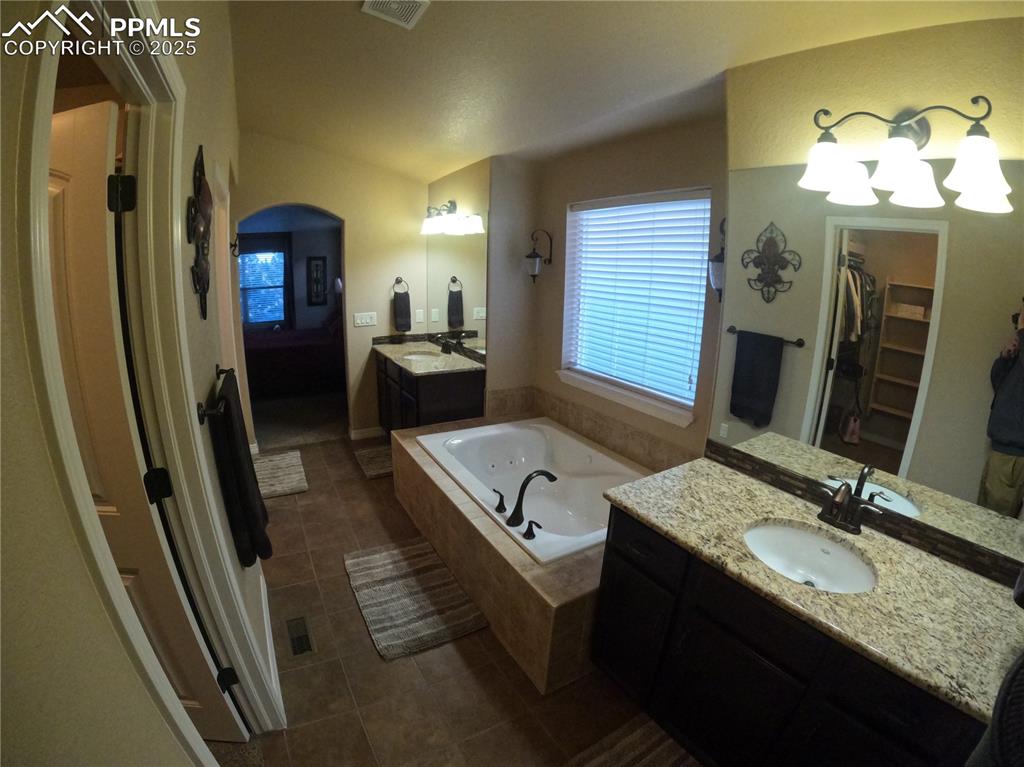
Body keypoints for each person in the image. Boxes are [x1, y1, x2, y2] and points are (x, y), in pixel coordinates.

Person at [978, 301, 1024, 517]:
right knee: (984, 511)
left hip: (1014, 455)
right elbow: (1000, 385)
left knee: (996, 523)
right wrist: (1005, 359)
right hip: (1001, 449)